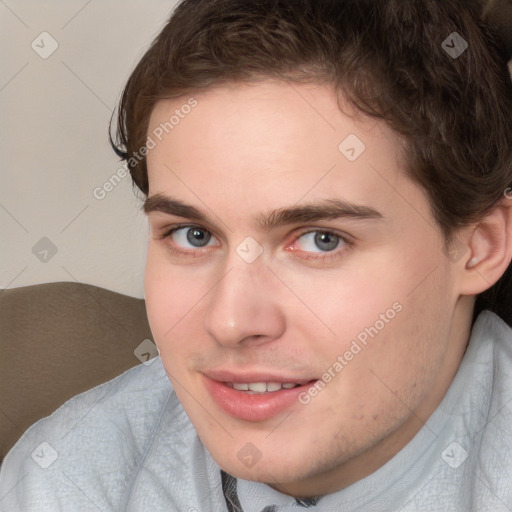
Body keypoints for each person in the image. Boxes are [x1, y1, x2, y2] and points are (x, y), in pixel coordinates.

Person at [1, 0, 512, 510]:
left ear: (478, 248)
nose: (230, 321)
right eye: (192, 235)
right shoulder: (64, 478)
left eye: (320, 240)